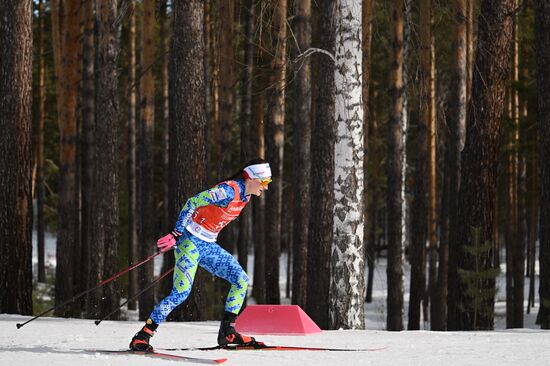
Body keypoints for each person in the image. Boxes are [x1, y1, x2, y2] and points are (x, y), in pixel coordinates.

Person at [129, 159, 272, 351]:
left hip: (208, 245)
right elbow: (193, 202)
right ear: (252, 178)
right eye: (264, 182)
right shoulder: (228, 191)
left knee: (241, 280)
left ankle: (228, 332)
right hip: (189, 242)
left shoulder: (245, 197)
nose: (266, 187)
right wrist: (176, 233)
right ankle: (143, 335)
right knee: (181, 293)